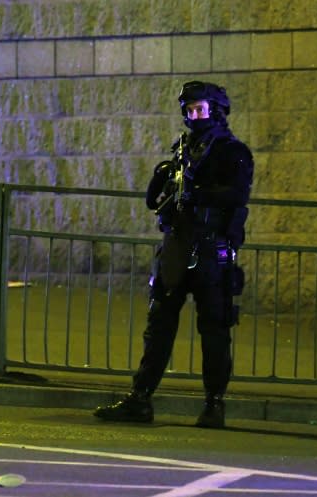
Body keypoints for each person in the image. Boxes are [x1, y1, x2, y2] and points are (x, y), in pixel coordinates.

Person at [93, 81, 254, 429]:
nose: (194, 115)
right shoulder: (182, 151)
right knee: (159, 327)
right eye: (190, 109)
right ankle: (141, 399)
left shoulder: (232, 151)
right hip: (177, 246)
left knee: (214, 330)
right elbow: (157, 200)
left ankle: (214, 405)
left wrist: (200, 193)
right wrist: (164, 178)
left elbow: (237, 195)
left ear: (216, 109)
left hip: (211, 249)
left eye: (200, 108)